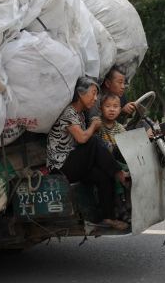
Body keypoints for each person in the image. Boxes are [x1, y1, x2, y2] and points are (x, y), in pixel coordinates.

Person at [46, 76, 130, 230]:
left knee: (104, 175)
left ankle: (109, 218)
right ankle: (120, 174)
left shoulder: (81, 114)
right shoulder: (68, 113)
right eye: (93, 93)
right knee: (93, 140)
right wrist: (93, 127)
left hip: (74, 162)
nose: (95, 98)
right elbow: (82, 138)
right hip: (61, 167)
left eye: (97, 94)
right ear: (80, 93)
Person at [97, 92, 132, 222]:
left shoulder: (120, 128)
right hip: (104, 163)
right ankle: (120, 207)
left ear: (119, 109)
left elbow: (127, 144)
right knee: (116, 173)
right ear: (101, 108)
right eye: (108, 106)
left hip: (117, 160)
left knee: (130, 170)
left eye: (115, 106)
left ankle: (129, 203)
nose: (112, 109)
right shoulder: (98, 125)